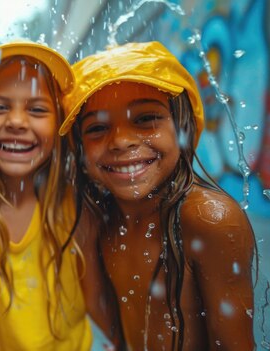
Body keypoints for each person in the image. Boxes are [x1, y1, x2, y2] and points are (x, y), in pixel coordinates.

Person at [64, 41, 255, 350]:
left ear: (183, 127)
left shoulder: (208, 220)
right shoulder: (100, 220)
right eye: (97, 128)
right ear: (79, 150)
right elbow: (115, 332)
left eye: (145, 119)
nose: (121, 141)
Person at [0, 41, 92, 350]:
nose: (16, 122)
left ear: (60, 122)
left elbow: (100, 308)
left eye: (36, 109)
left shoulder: (77, 206)